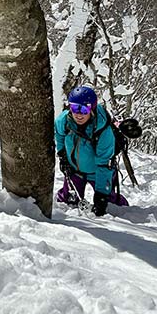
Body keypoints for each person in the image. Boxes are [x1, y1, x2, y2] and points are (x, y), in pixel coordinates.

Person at [55, 85, 129, 216]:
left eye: (84, 109)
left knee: (110, 203)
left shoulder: (103, 130)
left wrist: (101, 195)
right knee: (68, 200)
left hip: (98, 172)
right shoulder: (63, 121)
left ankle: (128, 210)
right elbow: (60, 137)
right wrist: (62, 156)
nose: (79, 114)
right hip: (74, 170)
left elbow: (104, 163)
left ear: (92, 109)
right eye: (75, 108)